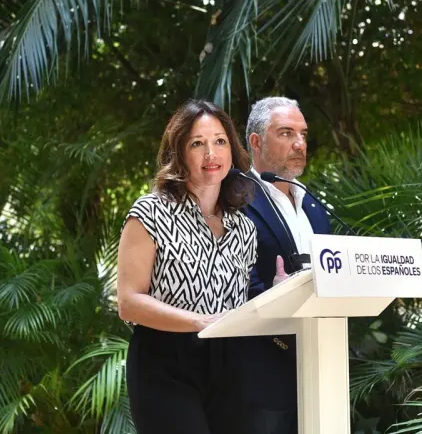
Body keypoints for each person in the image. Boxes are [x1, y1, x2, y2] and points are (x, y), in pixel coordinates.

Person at [117, 100, 257, 434]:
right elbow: (128, 302)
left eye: (220, 141)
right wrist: (199, 321)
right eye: (197, 143)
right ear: (179, 153)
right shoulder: (150, 213)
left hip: (229, 365)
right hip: (165, 363)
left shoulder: (244, 227)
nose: (211, 153)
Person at [239, 97, 332, 434]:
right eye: (286, 133)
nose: (300, 144)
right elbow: (239, 286)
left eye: (303, 134)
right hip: (264, 377)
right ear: (256, 141)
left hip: (324, 365)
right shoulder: (236, 201)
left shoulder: (314, 206)